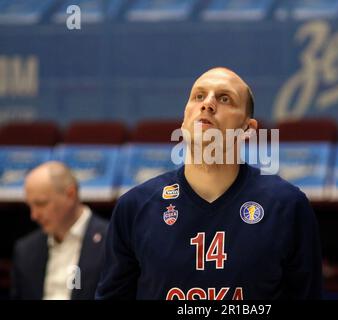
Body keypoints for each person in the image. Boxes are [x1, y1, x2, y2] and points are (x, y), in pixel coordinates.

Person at [96, 67, 322, 300]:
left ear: (247, 129)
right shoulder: (134, 208)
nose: (208, 104)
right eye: (199, 96)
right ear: (184, 120)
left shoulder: (286, 206)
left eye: (225, 98)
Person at [11, 161, 108, 300]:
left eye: (41, 204)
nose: (34, 215)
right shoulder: (25, 250)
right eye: (30, 206)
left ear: (70, 194)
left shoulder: (111, 241)